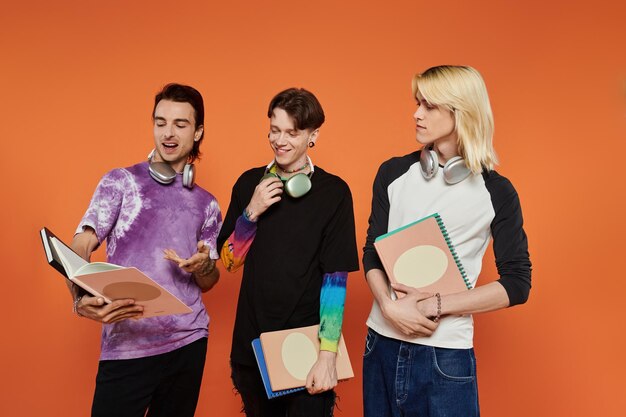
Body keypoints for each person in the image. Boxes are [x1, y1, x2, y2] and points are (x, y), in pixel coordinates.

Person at [362, 65, 532, 417]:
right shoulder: (392, 173)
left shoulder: (496, 192)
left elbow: (517, 284)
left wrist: (435, 305)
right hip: (380, 344)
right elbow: (372, 253)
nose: (416, 113)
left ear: (461, 112)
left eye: (429, 105)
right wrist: (390, 307)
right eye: (417, 103)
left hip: (445, 356)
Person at [68, 83, 222, 417]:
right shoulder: (120, 181)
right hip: (127, 345)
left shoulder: (208, 204)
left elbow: (210, 280)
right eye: (160, 122)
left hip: (188, 342)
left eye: (180, 124)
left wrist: (202, 267)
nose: (168, 133)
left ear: (198, 132)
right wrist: (79, 299)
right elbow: (81, 244)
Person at [217, 88, 359, 417]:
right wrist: (250, 213)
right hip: (251, 350)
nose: (280, 141)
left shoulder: (334, 193)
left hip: (306, 351)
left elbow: (335, 279)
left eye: (292, 133)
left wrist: (327, 354)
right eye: (275, 130)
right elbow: (229, 262)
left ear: (313, 135)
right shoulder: (248, 184)